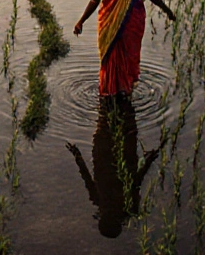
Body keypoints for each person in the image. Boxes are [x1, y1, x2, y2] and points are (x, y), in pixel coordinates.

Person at [73, 0, 175, 98]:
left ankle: (110, 90)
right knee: (128, 55)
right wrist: (167, 10)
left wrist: (81, 21)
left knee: (111, 54)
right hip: (132, 23)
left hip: (109, 22)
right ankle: (125, 89)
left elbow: (95, 0)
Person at [65, 97, 160, 238]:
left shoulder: (119, 203)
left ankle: (116, 97)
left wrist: (77, 155)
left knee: (118, 119)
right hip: (111, 155)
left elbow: (136, 181)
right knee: (113, 117)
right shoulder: (109, 201)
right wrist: (148, 161)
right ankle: (117, 97)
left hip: (112, 155)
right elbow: (136, 181)